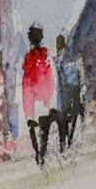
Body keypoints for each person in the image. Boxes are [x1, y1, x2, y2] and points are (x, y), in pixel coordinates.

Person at [19, 24, 57, 167]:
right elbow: (49, 77)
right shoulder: (41, 55)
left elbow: (27, 80)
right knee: (41, 127)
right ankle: (41, 153)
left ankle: (39, 153)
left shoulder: (33, 56)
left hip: (35, 95)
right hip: (40, 95)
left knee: (35, 126)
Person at [53, 33, 85, 151]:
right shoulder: (64, 59)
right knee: (72, 116)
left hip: (70, 90)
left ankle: (67, 143)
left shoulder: (62, 59)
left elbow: (60, 82)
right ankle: (68, 142)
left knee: (70, 116)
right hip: (71, 89)